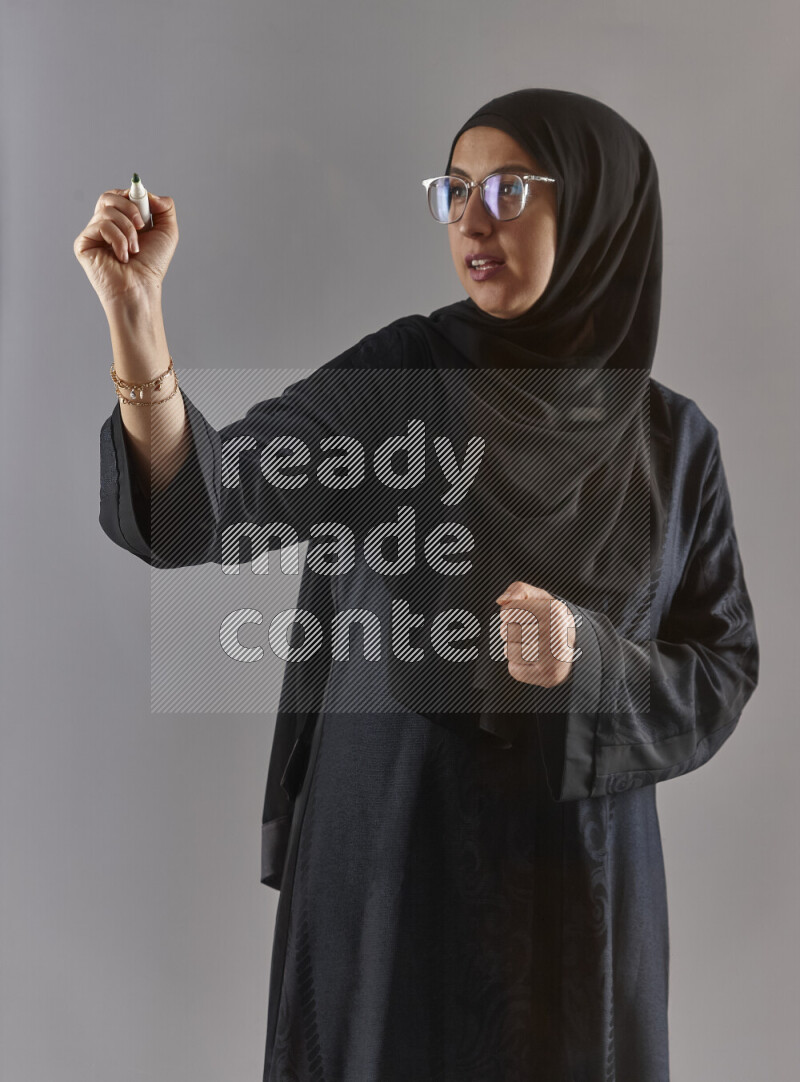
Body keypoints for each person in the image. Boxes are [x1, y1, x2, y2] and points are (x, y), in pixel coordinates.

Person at [75, 89, 759, 1082]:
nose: (472, 219)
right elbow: (210, 504)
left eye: (509, 187)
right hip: (392, 861)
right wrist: (137, 330)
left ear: (601, 212)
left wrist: (587, 654)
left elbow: (721, 666)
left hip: (575, 896)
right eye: (454, 190)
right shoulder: (404, 377)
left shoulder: (671, 443)